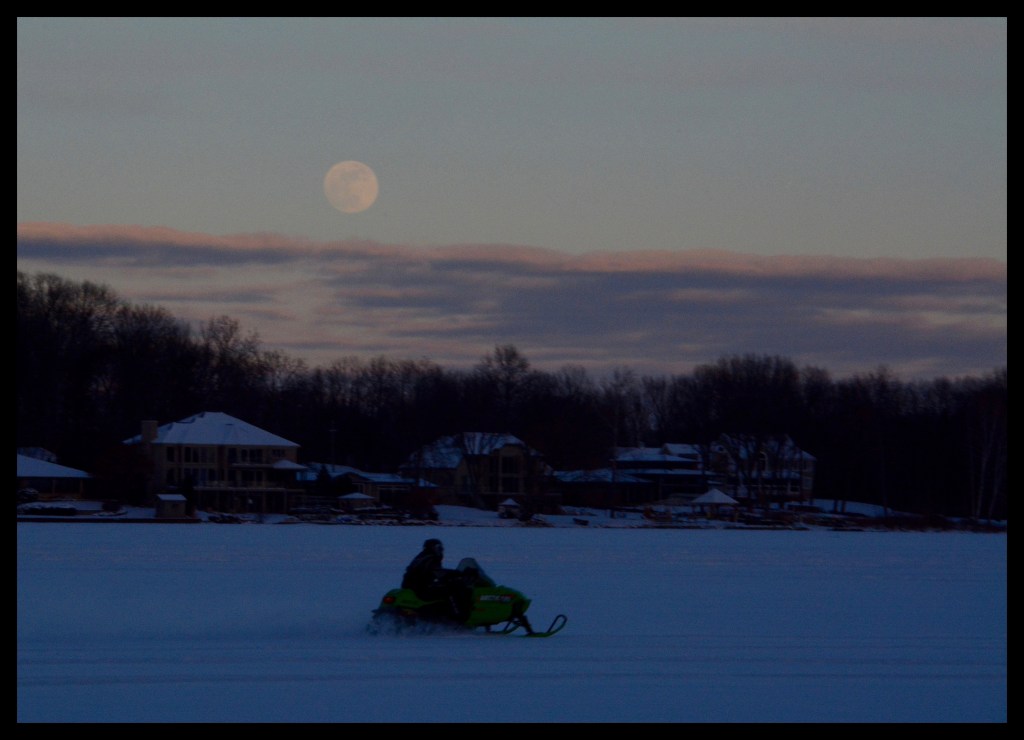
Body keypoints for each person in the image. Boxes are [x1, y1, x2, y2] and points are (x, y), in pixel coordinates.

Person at [401, 539, 471, 620]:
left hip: (417, 586)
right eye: (439, 548)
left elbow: (431, 573)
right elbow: (437, 572)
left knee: (446, 587)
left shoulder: (422, 557)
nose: (441, 550)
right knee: (452, 590)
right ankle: (458, 617)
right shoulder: (430, 558)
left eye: (441, 548)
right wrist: (457, 574)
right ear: (433, 548)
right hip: (421, 589)